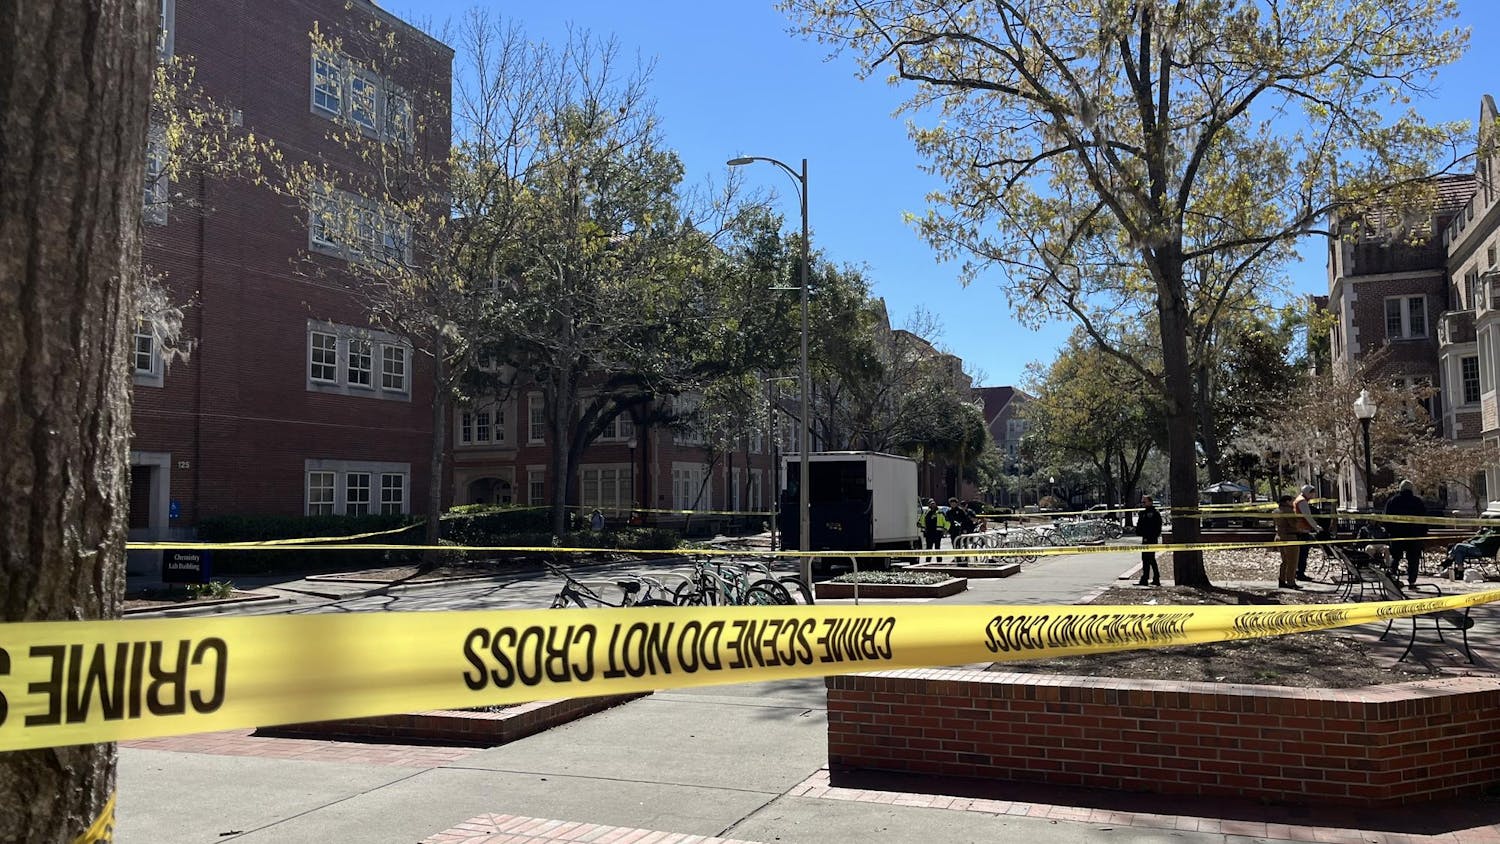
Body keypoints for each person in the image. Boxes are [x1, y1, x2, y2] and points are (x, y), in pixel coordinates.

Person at [1382, 480, 1428, 587]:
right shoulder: (1418, 502)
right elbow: (1424, 520)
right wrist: (1422, 534)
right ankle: (1412, 581)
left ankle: (1392, 577)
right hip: (1414, 536)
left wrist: (1390, 531)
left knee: (1396, 557)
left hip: (1397, 535)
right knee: (1413, 559)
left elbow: (1386, 519)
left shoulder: (1392, 501)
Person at [1291, 484, 1319, 580]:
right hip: (1302, 531)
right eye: (1313, 493)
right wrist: (1316, 527)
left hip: (1299, 529)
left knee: (1300, 554)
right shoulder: (1302, 501)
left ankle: (1298, 572)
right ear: (1308, 493)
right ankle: (1300, 574)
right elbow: (1308, 516)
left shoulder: (1299, 499)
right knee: (1303, 554)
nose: (1314, 496)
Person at [1273, 495, 1301, 589]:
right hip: (1290, 537)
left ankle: (1282, 580)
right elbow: (1293, 524)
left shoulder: (1276, 511)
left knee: (1284, 561)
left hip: (1279, 537)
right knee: (1292, 561)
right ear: (1287, 501)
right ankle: (1290, 582)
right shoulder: (1289, 511)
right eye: (1292, 501)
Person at [1135, 495, 1162, 586]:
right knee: (1146, 559)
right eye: (1142, 502)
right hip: (1145, 538)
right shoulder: (1143, 513)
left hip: (1151, 539)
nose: (1143, 504)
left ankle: (1155, 578)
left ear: (1150, 502)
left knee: (1150, 558)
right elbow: (1140, 526)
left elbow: (1157, 527)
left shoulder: (1154, 513)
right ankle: (1146, 578)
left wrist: (1152, 536)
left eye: (1144, 502)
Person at [947, 497, 974, 563]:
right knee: (954, 544)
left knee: (962, 544)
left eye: (954, 503)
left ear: (956, 504)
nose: (953, 504)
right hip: (953, 530)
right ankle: (957, 557)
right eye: (951, 503)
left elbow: (965, 520)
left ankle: (964, 557)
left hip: (960, 530)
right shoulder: (948, 512)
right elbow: (947, 521)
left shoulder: (960, 511)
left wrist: (964, 529)